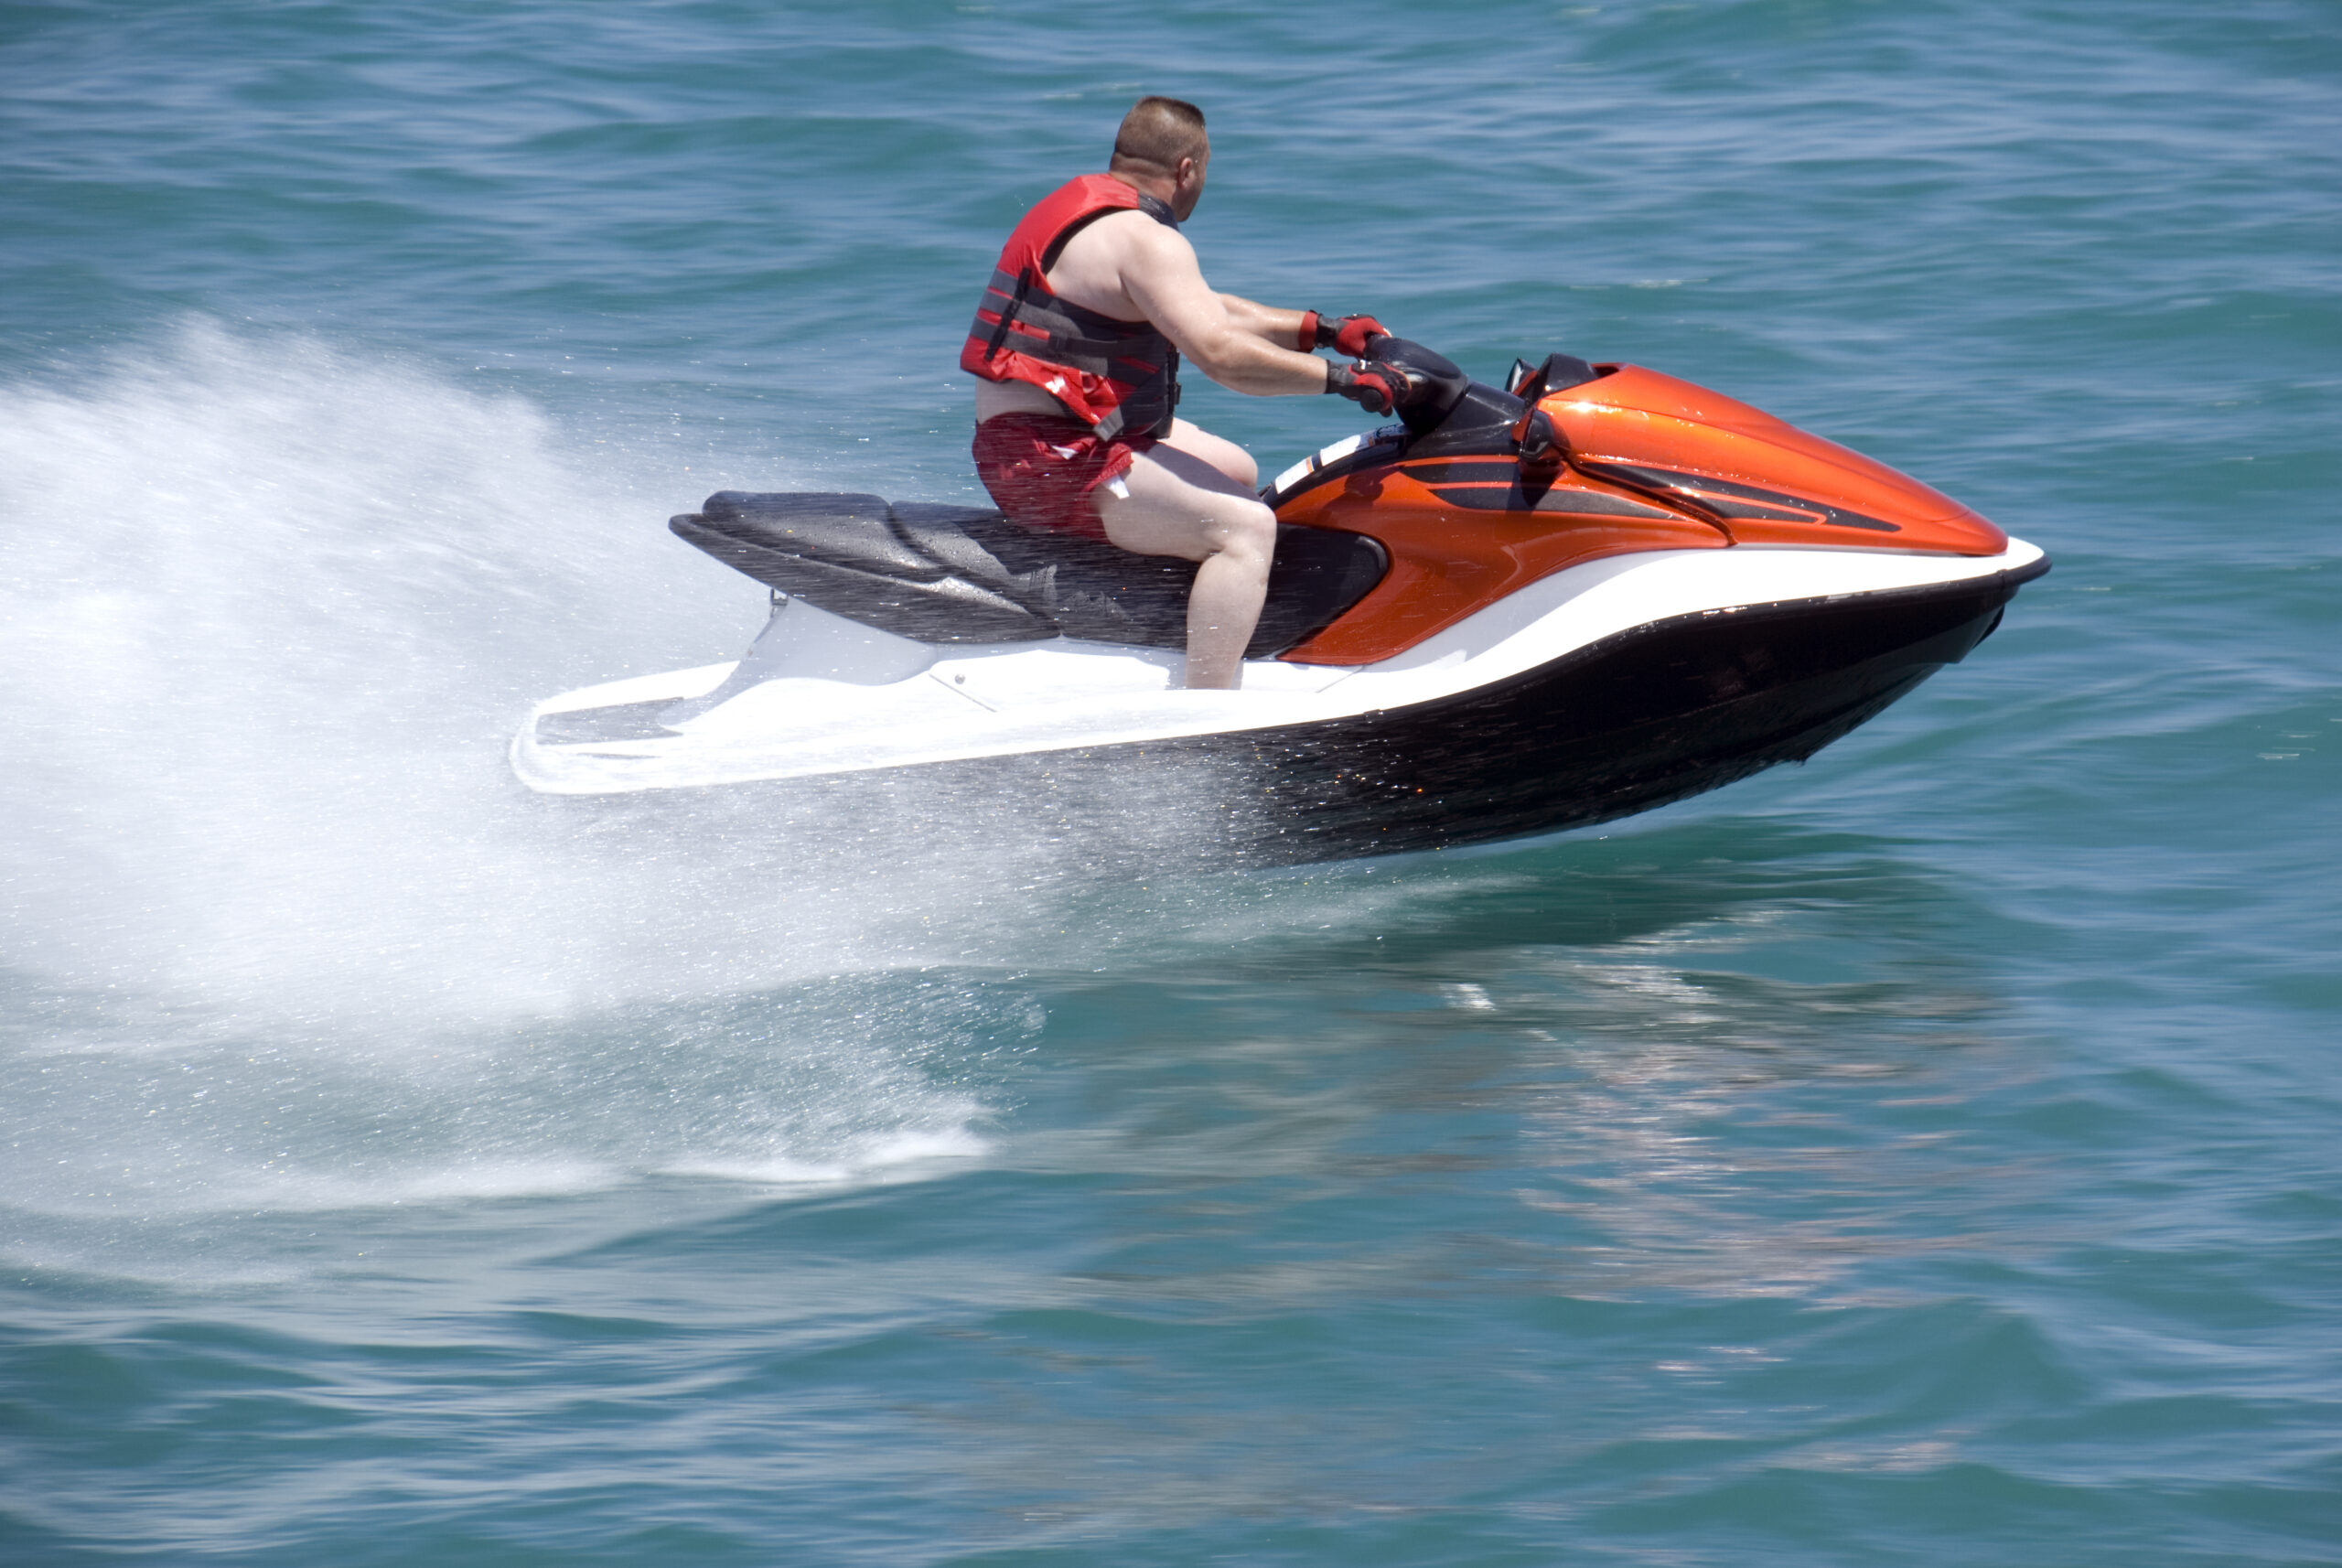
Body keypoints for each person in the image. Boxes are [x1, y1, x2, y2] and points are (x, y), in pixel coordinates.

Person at [963, 96, 1416, 689]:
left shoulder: (1095, 213)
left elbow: (1213, 310)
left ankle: (1162, 617)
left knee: (1236, 466)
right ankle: (1206, 702)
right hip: (1050, 461)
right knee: (1247, 529)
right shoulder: (1148, 240)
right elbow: (1223, 355)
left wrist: (1322, 330)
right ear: (1188, 170)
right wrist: (1345, 381)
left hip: (1033, 445)